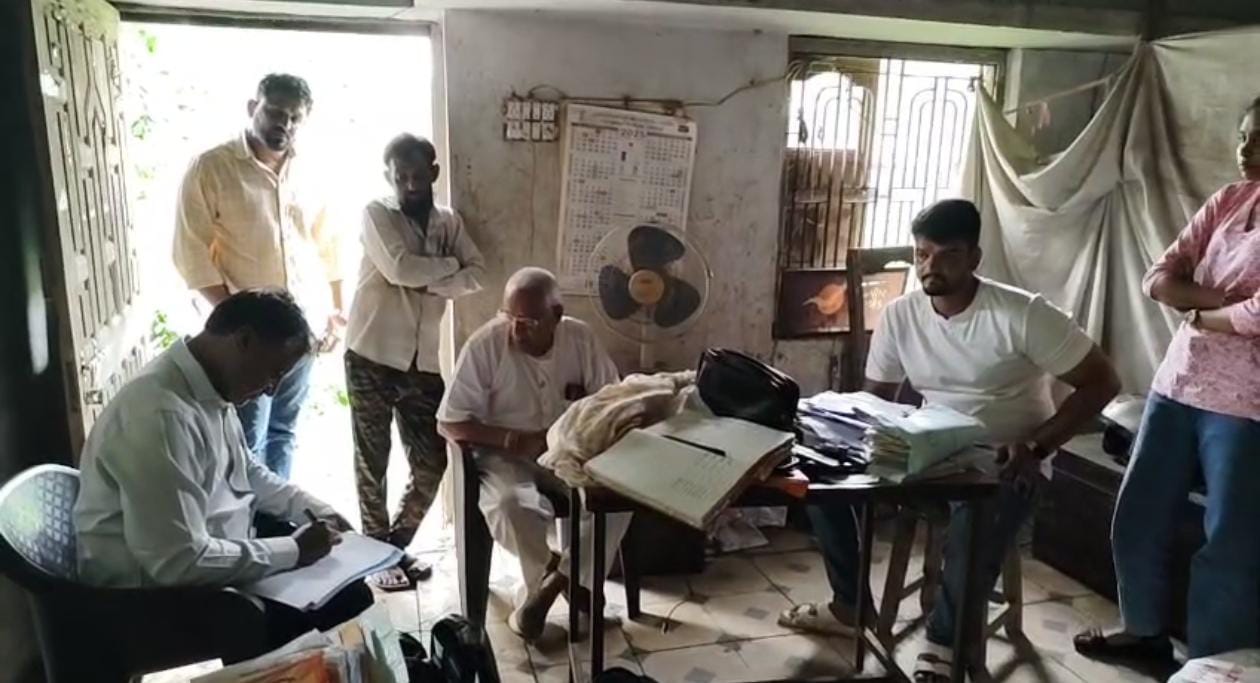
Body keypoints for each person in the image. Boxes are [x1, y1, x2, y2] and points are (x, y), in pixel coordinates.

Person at [779, 199, 1120, 682]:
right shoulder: (901, 315)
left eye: (948, 255)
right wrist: (840, 437)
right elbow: (875, 399)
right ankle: (849, 605)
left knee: (977, 516)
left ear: (974, 258)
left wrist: (1037, 446)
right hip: (930, 449)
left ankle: (945, 641)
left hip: (1006, 457)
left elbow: (1104, 382)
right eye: (922, 254)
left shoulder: (1022, 314)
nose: (930, 266)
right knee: (817, 477)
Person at [74, 289, 369, 649]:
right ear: (243, 341)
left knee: (343, 581)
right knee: (336, 610)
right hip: (150, 595)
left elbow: (246, 473)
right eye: (273, 373)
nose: (271, 390)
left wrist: (317, 510)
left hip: (207, 553)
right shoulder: (160, 415)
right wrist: (293, 550)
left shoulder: (209, 386)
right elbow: (177, 562)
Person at [1074, 96, 1260, 667]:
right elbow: (1158, 276)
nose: (1247, 148)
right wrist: (1220, 303)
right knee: (1139, 511)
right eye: (1244, 135)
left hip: (1246, 405)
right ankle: (1144, 631)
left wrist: (1198, 310)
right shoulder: (1229, 199)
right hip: (1178, 383)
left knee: (1229, 540)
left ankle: (1215, 666)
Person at [437, 267, 629, 642]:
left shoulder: (580, 339)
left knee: (621, 494)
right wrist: (511, 440)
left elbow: (611, 400)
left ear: (557, 315)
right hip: (503, 455)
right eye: (510, 317)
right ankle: (565, 579)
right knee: (512, 504)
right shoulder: (486, 345)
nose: (516, 330)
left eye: (528, 322)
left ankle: (554, 584)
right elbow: (448, 422)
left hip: (568, 452)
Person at [172, 73, 344, 480]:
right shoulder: (212, 168)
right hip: (249, 338)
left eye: (295, 118)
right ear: (253, 108)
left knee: (285, 432)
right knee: (246, 439)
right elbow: (190, 253)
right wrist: (238, 320)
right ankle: (245, 518)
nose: (285, 124)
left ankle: (277, 515)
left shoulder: (310, 172)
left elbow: (329, 245)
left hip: (304, 330)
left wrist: (337, 311)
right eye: (276, 112)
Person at [344, 133, 485, 591]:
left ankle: (393, 547)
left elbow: (479, 273)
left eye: (418, 176)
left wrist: (433, 277)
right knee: (372, 461)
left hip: (423, 362)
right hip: (371, 353)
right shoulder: (377, 214)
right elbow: (400, 269)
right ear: (389, 177)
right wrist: (448, 268)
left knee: (433, 460)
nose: (409, 185)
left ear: (433, 174)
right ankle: (375, 558)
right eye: (400, 177)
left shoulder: (449, 221)